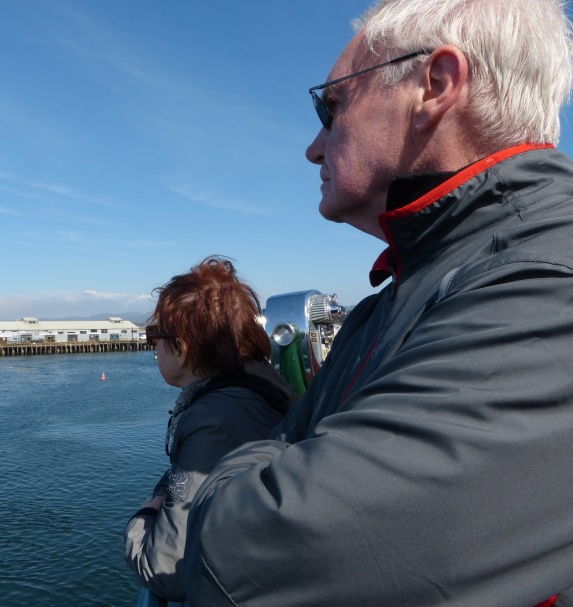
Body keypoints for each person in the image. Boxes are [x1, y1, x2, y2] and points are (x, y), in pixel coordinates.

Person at [182, 1, 573, 605]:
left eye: (330, 106)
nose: (313, 148)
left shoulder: (548, 284)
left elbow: (246, 554)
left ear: (434, 86)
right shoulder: (384, 306)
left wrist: (260, 468)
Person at [124, 256, 295, 605]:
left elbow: (164, 569)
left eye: (153, 336)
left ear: (182, 349)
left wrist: (142, 519)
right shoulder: (264, 383)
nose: (153, 349)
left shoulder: (213, 419)